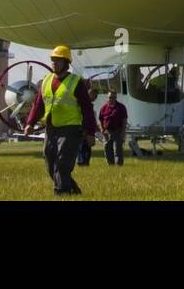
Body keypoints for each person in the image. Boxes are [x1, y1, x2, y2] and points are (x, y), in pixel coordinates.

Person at [22, 45, 97, 196]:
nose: (54, 63)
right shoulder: (46, 81)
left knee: (63, 163)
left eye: (58, 61)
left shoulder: (76, 82)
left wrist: (90, 132)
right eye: (53, 61)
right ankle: (73, 191)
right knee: (50, 163)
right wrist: (30, 123)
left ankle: (61, 193)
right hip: (51, 128)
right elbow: (38, 104)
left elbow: (87, 108)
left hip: (70, 129)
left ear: (66, 63)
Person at [99, 90, 128, 166]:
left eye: (114, 97)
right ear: (107, 97)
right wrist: (102, 129)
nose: (112, 99)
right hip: (107, 131)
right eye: (110, 97)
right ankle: (110, 165)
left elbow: (124, 120)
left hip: (118, 131)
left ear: (116, 97)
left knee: (118, 150)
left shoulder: (121, 107)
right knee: (107, 149)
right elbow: (101, 119)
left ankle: (119, 165)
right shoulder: (103, 108)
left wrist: (123, 132)